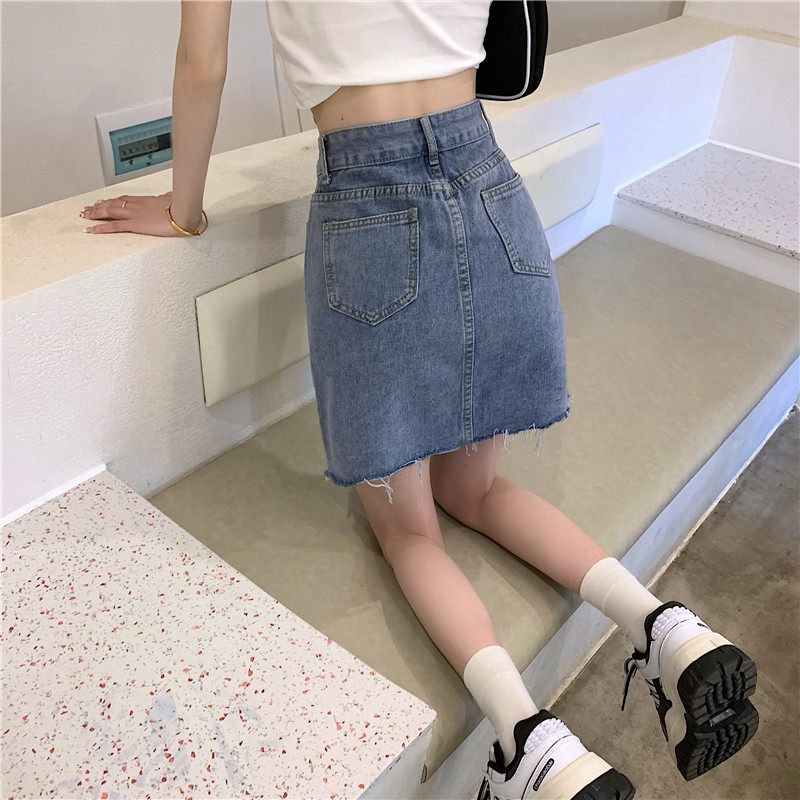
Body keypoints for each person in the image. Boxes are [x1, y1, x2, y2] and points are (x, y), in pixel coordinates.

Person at [80, 3, 759, 798]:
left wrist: (182, 210)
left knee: (409, 532)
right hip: (491, 187)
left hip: (370, 210)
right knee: (477, 488)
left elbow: (203, 65)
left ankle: (529, 742)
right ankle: (666, 628)